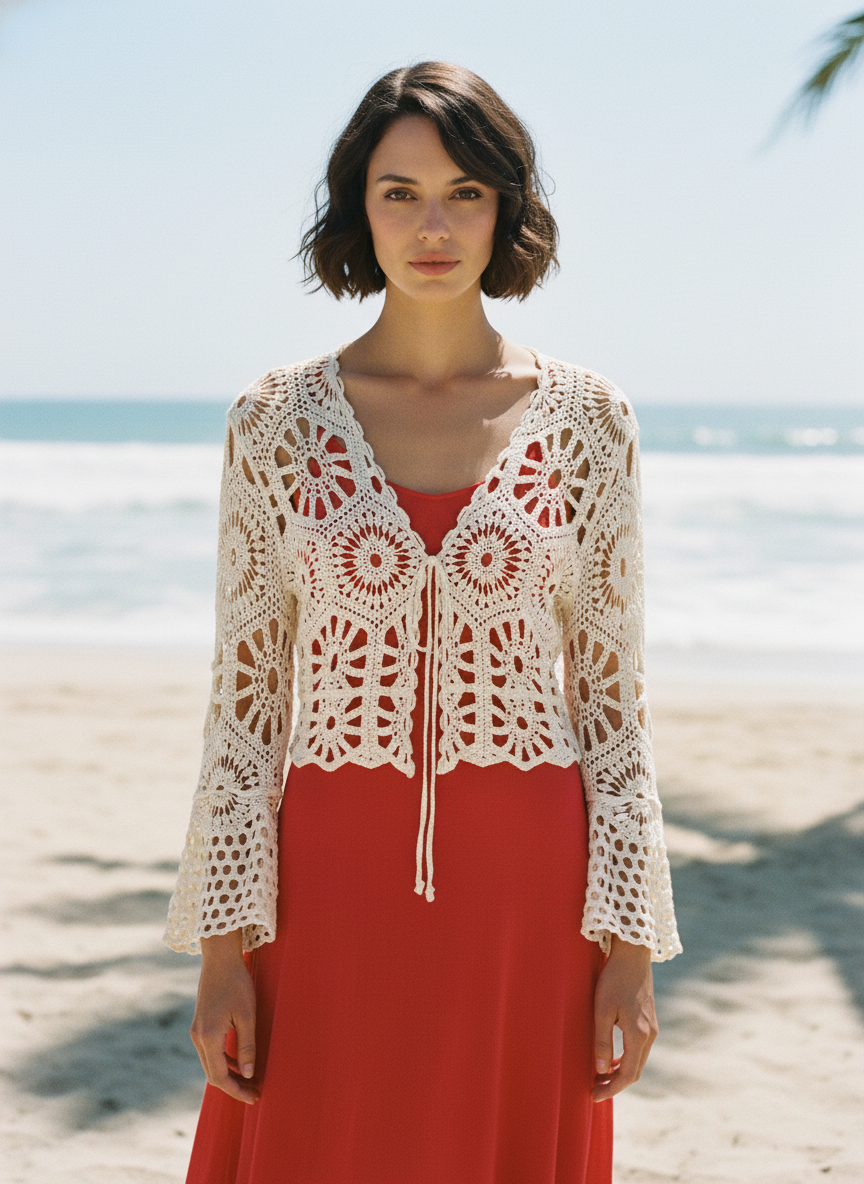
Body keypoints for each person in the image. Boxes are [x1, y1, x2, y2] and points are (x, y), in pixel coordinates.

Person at [164, 60, 681, 1184]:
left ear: (506, 208)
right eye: (399, 193)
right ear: (360, 207)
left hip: (529, 892)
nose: (432, 227)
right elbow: (246, 706)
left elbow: (614, 705)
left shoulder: (590, 421)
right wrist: (221, 950)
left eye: (465, 193)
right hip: (327, 886)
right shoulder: (275, 421)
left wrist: (630, 947)